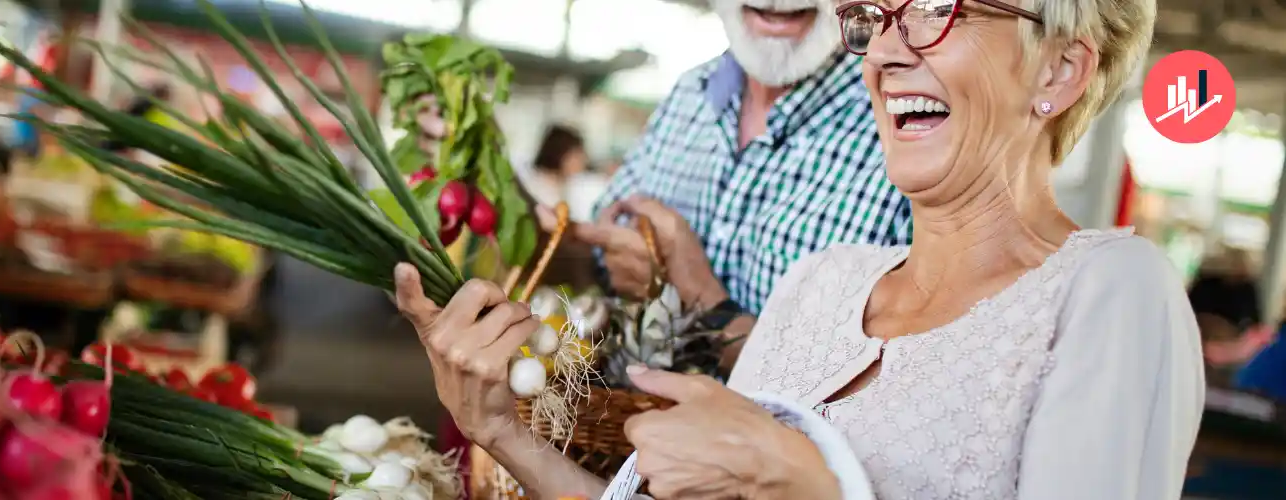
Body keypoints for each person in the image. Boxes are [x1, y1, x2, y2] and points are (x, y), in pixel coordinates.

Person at [395, 0, 1204, 498]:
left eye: (932, 7)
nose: (884, 55)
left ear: (1060, 69)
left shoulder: (1111, 291)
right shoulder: (819, 285)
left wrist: (815, 491)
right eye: (876, 17)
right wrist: (500, 429)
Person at [421, 0, 910, 370]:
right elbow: (593, 272)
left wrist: (694, 292)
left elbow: (885, 394)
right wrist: (495, 192)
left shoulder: (904, 121)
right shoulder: (688, 94)